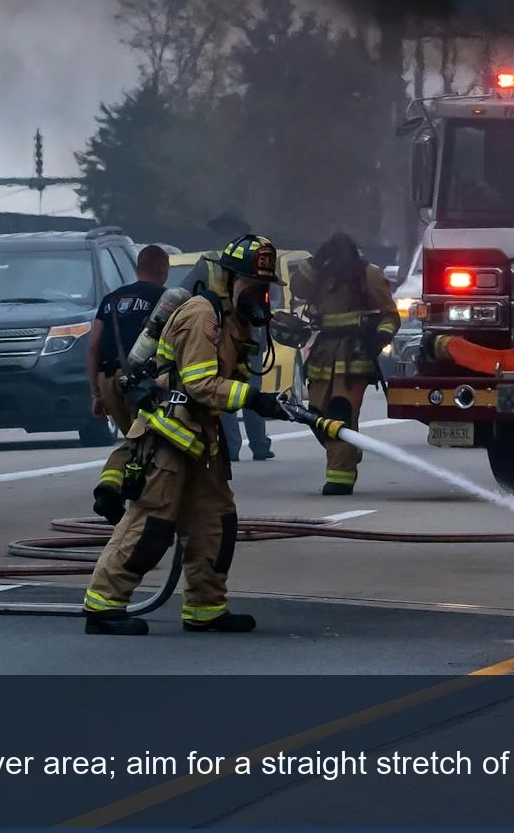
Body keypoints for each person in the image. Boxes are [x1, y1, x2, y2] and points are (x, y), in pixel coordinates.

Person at [81, 234, 284, 636]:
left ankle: (206, 608)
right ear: (229, 279)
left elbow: (231, 376)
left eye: (265, 289)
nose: (261, 296)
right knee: (150, 525)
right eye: (256, 287)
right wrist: (255, 399)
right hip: (170, 436)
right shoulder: (201, 314)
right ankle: (103, 606)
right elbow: (199, 383)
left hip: (202, 440)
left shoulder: (233, 322)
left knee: (215, 523)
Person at [290, 233, 399, 496]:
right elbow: (297, 288)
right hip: (324, 354)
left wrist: (380, 337)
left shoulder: (368, 275)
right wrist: (315, 261)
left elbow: (390, 315)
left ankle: (340, 478)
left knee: (341, 413)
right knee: (316, 415)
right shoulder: (321, 274)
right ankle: (350, 447)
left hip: (354, 355)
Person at [88, 244, 173, 525]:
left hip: (108, 380)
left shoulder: (111, 300)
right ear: (163, 269)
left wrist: (96, 394)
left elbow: (94, 347)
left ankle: (113, 487)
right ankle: (122, 496)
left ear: (138, 267)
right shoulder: (166, 300)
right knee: (149, 443)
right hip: (144, 386)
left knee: (135, 440)